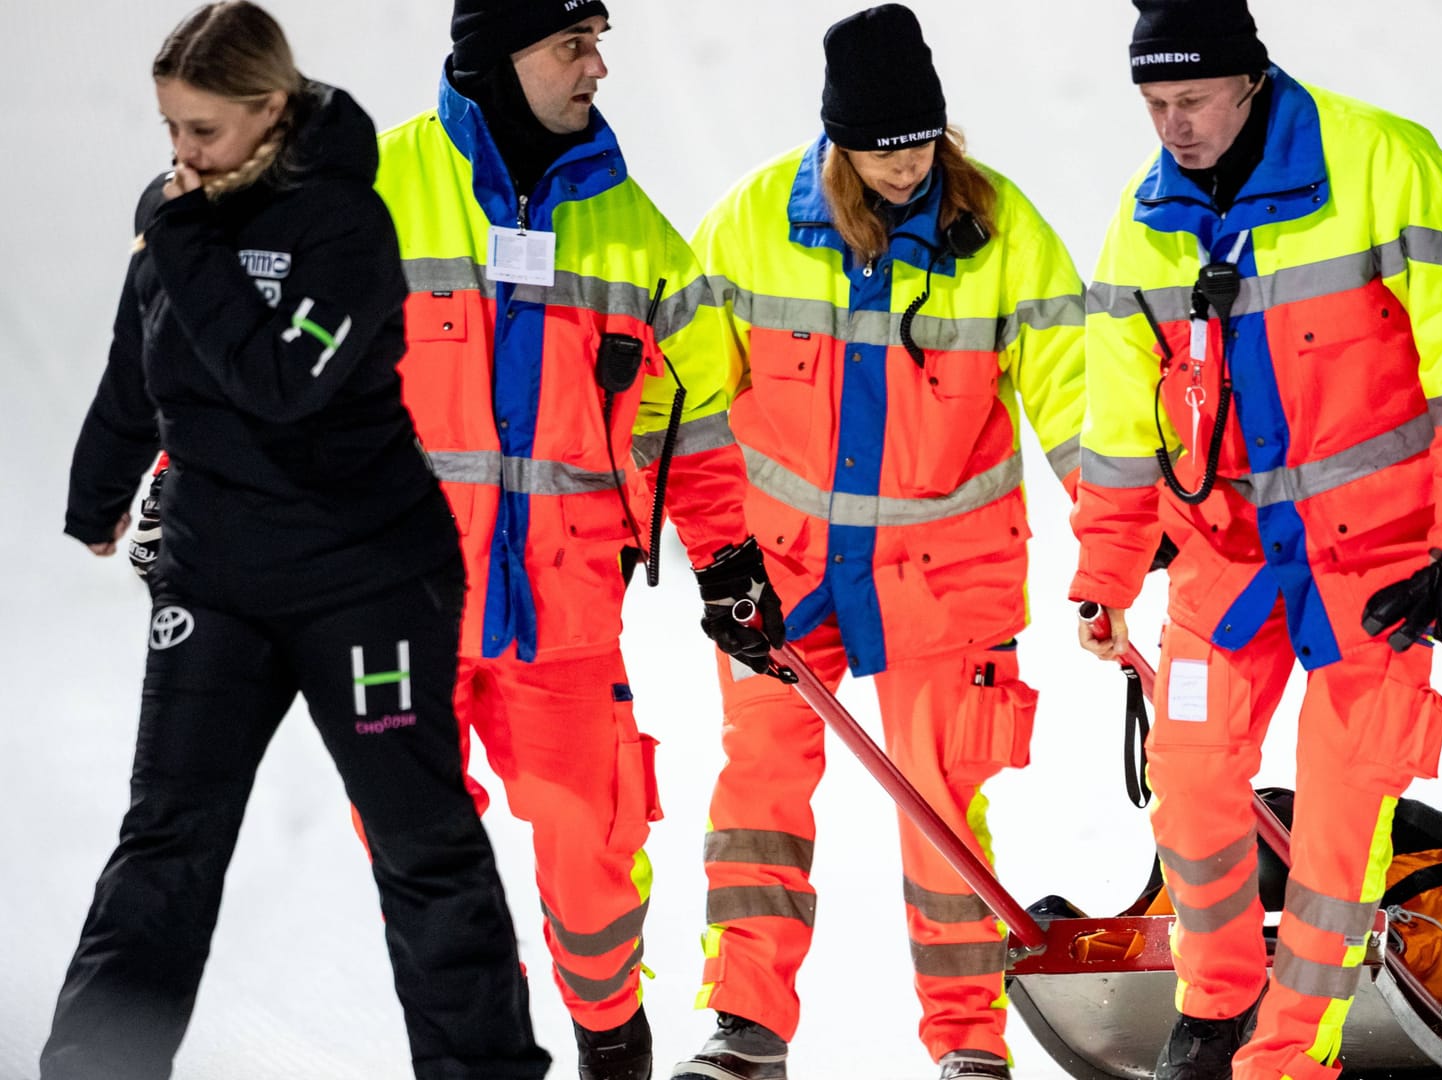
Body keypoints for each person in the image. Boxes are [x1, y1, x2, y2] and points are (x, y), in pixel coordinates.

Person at [49, 4, 550, 1078]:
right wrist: (98, 498)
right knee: (166, 843)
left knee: (423, 845)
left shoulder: (345, 227)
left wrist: (185, 247)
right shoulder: (170, 211)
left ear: (271, 111)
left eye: (204, 132)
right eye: (170, 130)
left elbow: (282, 385)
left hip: (363, 580)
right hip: (216, 580)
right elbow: (141, 364)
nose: (180, 157)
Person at [1070, 1, 1442, 1078]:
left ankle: (1287, 1056)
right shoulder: (1138, 225)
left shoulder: (1387, 165)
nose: (1172, 127)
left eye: (1191, 100)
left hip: (1381, 569)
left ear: (1249, 80)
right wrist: (1105, 572)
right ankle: (1215, 1003)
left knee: (1338, 831)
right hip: (1224, 562)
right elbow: (1114, 428)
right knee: (1190, 785)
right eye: (1153, 105)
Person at [667, 7, 1086, 1079]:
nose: (907, 167)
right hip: (782, 571)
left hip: (945, 580)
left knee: (944, 806)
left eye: (922, 142)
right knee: (759, 789)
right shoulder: (751, 223)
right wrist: (705, 550)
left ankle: (968, 1045)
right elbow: (686, 401)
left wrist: (1127, 546)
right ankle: (745, 1030)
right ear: (837, 141)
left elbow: (1081, 403)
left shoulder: (1002, 232)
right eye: (883, 146)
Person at [371, 2, 784, 1077]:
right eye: (572, 44)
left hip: (564, 611)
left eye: (597, 41)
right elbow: (279, 370)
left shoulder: (632, 231)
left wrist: (729, 558)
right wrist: (187, 481)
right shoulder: (372, 191)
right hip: (396, 607)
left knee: (596, 856)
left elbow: (691, 418)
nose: (598, 66)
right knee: (423, 858)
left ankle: (610, 1040)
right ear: (499, 59)